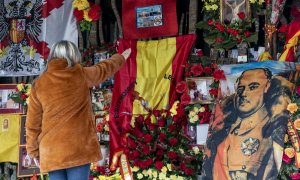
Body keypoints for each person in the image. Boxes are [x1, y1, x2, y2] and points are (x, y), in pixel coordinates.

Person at [25, 40, 131, 180]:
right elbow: (104, 68)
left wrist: (33, 152)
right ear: (74, 55)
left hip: (52, 151)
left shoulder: (39, 84)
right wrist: (121, 57)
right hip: (79, 149)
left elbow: (32, 124)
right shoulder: (81, 74)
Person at [202, 68, 292, 179]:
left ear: (267, 87)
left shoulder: (273, 131)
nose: (244, 93)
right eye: (240, 88)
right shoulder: (221, 129)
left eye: (253, 87)